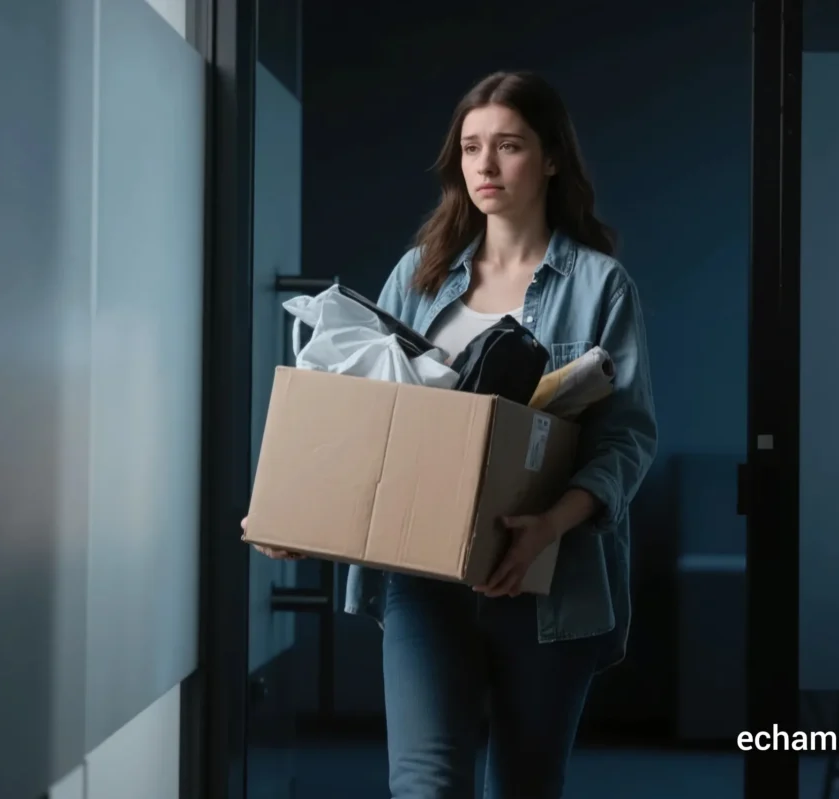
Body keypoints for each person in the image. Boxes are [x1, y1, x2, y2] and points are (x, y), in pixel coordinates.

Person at [248, 70, 657, 799]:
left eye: (508, 145)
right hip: (422, 575)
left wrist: (550, 525)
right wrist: (303, 512)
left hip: (545, 578)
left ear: (552, 157)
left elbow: (625, 438)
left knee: (525, 786)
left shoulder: (601, 286)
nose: (486, 166)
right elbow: (372, 415)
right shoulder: (421, 273)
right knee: (425, 785)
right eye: (471, 148)